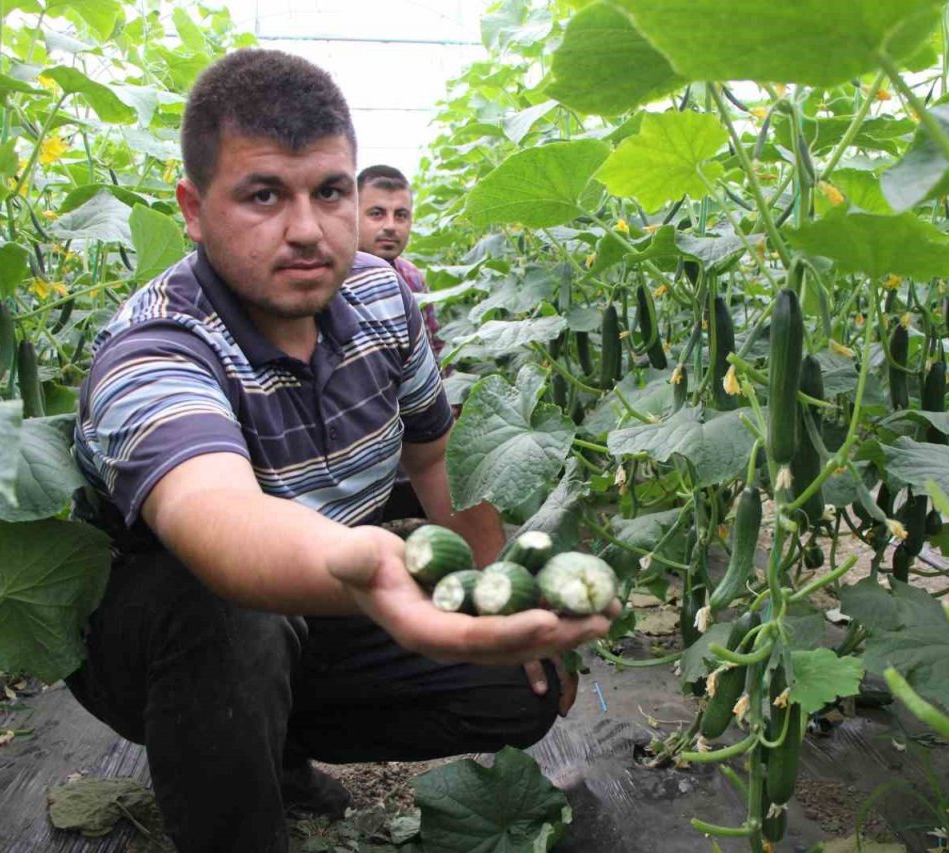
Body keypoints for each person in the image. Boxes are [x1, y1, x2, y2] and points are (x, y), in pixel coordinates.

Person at [66, 49, 616, 853]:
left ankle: (274, 747)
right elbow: (216, 512)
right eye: (263, 195)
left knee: (515, 683)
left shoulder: (383, 294)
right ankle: (237, 801)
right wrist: (375, 568)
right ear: (193, 208)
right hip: (167, 633)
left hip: (321, 596)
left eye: (329, 192)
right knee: (232, 621)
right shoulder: (155, 347)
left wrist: (502, 587)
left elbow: (434, 458)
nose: (306, 230)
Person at [355, 164, 444, 361]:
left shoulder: (413, 278)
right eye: (377, 213)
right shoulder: (330, 282)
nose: (390, 226)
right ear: (352, 215)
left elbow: (434, 351)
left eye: (401, 215)